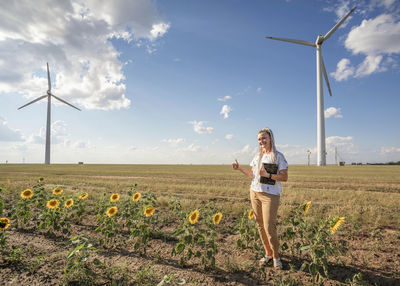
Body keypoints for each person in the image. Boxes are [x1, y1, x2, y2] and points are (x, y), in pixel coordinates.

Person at [232, 127, 288, 269]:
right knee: (260, 225)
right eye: (259, 139)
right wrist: (239, 168)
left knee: (270, 226)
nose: (261, 141)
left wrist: (268, 175)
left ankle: (276, 256)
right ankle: (268, 253)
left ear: (270, 139)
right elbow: (253, 175)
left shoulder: (278, 156)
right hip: (255, 192)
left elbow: (284, 177)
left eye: (264, 138)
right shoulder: (257, 157)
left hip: (270, 196)